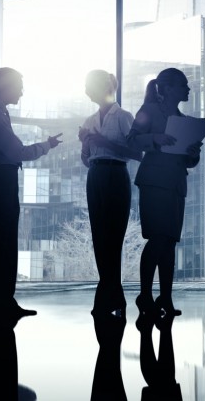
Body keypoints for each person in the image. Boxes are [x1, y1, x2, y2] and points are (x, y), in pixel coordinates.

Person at [0, 68, 61, 316]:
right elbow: (16, 151)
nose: (22, 90)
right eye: (19, 85)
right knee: (3, 241)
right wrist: (46, 146)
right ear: (5, 86)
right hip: (0, 180)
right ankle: (2, 302)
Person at [127, 68, 201, 318]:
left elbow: (189, 160)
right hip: (155, 181)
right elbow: (132, 140)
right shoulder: (148, 111)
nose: (188, 89)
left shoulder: (181, 118)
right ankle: (145, 295)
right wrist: (156, 138)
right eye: (183, 85)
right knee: (158, 239)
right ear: (168, 88)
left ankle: (165, 297)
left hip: (176, 182)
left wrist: (192, 152)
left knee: (169, 243)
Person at [78, 70, 140, 318]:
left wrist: (100, 141)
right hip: (95, 175)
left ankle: (107, 296)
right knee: (99, 237)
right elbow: (85, 160)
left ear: (103, 87)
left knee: (113, 237)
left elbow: (136, 153)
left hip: (116, 174)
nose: (85, 91)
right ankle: (114, 296)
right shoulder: (89, 120)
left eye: (88, 86)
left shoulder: (124, 117)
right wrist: (86, 143)